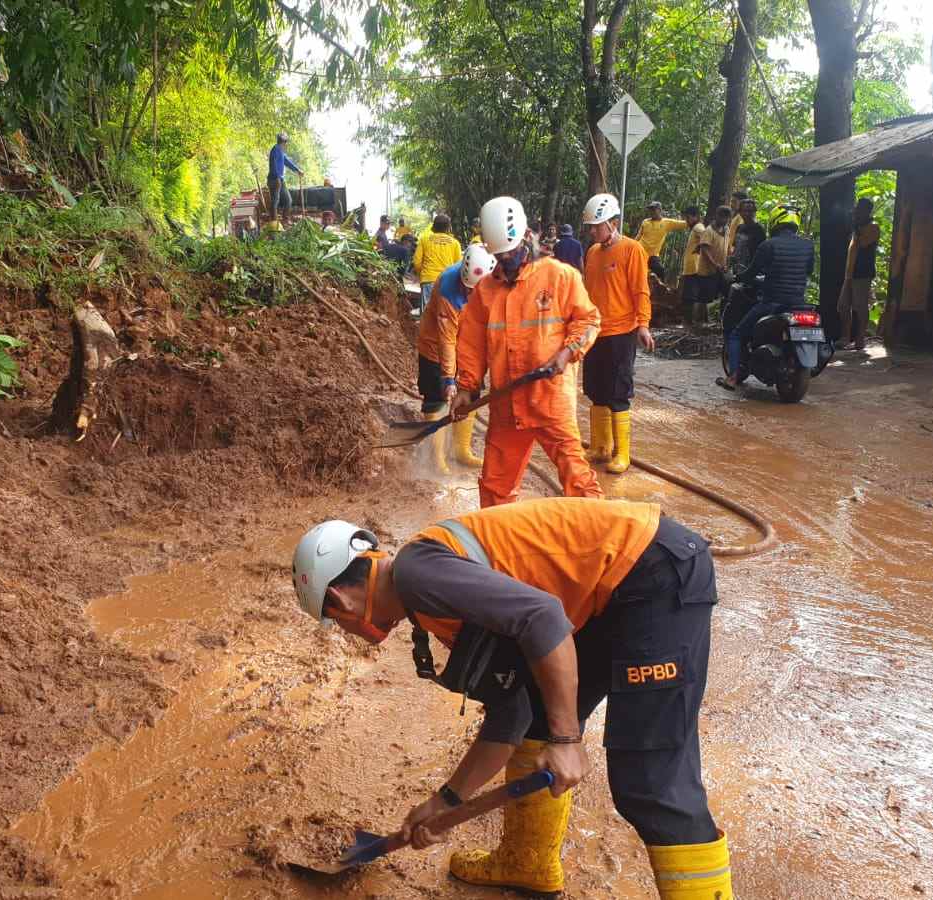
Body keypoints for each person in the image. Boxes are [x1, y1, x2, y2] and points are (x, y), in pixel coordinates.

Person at [289, 498, 731, 899]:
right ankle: (529, 866)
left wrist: (566, 739)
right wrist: (447, 801)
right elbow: (511, 709)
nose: (349, 632)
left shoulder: (418, 575)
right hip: (613, 591)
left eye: (336, 622)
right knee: (537, 718)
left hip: (651, 572)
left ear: (339, 598)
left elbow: (543, 617)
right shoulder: (426, 597)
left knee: (650, 784)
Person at [450, 196, 604, 508]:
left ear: (526, 237)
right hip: (506, 403)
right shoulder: (485, 292)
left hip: (550, 400)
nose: (505, 260)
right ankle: (498, 549)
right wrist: (466, 386)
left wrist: (567, 352)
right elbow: (471, 343)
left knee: (579, 481)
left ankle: (603, 541)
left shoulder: (560, 277)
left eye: (510, 252)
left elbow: (589, 320)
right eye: (499, 255)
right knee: (495, 489)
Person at [580, 192, 654, 475]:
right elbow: (588, 292)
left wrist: (643, 324)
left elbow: (640, 290)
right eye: (590, 226)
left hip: (622, 331)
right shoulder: (592, 253)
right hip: (595, 332)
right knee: (595, 389)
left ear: (613, 223)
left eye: (596, 225)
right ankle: (600, 447)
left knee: (618, 392)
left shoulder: (632, 250)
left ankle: (621, 453)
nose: (592, 231)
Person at [418, 244, 499, 473]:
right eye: (467, 290)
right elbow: (447, 340)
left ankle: (461, 451)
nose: (470, 295)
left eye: (474, 291)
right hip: (435, 347)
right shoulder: (448, 288)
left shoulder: (494, 283)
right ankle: (437, 459)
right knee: (437, 399)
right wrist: (448, 379)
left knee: (470, 393)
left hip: (467, 346)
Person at [718, 208, 815, 391]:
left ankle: (732, 377)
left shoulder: (769, 245)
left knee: (736, 333)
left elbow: (751, 274)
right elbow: (808, 271)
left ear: (775, 222)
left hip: (771, 304)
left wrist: (737, 277)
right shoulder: (808, 245)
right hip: (799, 305)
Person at [838, 197, 879, 351]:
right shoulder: (857, 228)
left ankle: (860, 339)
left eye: (858, 209)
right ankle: (845, 337)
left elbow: (862, 243)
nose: (855, 211)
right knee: (842, 306)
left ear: (867, 211)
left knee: (860, 306)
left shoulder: (873, 227)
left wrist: (856, 227)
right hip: (850, 274)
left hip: (863, 273)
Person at [688, 206, 732, 327]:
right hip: (706, 270)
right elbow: (705, 250)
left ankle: (713, 320)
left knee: (723, 293)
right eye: (721, 216)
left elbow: (727, 247)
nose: (723, 219)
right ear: (716, 216)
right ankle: (697, 322)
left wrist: (727, 260)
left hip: (720, 269)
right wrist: (715, 264)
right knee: (703, 297)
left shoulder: (727, 229)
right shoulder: (708, 231)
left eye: (726, 217)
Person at [414, 213, 463, 314]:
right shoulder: (455, 243)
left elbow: (417, 262)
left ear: (434, 226)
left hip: (428, 280)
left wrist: (421, 275)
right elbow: (459, 266)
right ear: (448, 228)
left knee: (427, 315)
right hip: (448, 282)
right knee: (445, 315)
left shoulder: (424, 240)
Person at [634, 201, 687, 287]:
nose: (652, 212)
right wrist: (632, 246)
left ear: (660, 210)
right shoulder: (645, 222)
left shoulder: (666, 223)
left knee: (660, 270)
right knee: (637, 272)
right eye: (650, 210)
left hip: (653, 255)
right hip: (640, 252)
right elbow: (638, 236)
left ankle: (660, 291)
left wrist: (695, 221)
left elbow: (682, 224)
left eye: (654, 210)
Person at [266, 133, 303, 225]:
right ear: (283, 142)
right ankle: (274, 223)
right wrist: (278, 178)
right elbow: (274, 165)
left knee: (288, 200)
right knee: (275, 201)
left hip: (280, 180)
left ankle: (285, 220)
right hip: (274, 180)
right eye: (286, 143)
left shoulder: (281, 152)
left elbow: (288, 162)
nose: (286, 145)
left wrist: (297, 170)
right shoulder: (275, 149)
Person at [726, 197, 766, 276]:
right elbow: (736, 248)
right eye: (745, 211)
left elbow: (762, 253)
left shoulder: (759, 229)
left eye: (751, 211)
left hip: (750, 272)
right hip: (737, 270)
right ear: (740, 212)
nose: (747, 213)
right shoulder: (740, 227)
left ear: (755, 212)